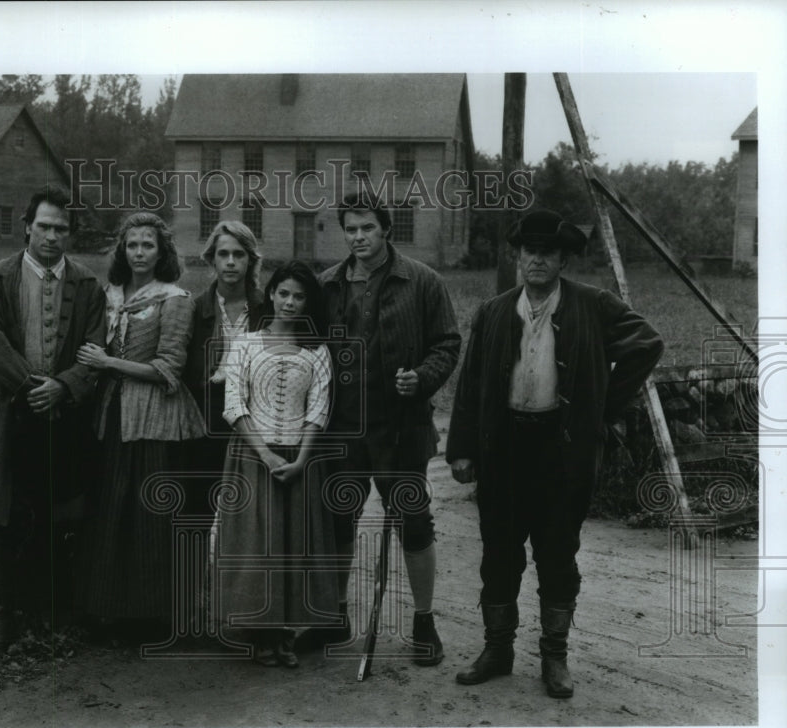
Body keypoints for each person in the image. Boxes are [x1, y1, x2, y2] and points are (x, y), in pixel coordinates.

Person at [447, 208, 664, 698]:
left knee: (557, 556)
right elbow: (471, 384)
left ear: (562, 260)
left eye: (548, 253)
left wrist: (599, 407)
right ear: (519, 257)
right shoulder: (495, 311)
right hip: (504, 450)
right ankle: (497, 649)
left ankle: (554, 657)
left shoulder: (593, 305)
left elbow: (647, 343)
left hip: (561, 453)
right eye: (530, 252)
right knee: (499, 555)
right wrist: (461, 448)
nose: (537, 260)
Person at [314, 189, 461, 666]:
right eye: (351, 229)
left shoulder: (422, 281)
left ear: (385, 229)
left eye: (367, 228)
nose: (358, 237)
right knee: (338, 520)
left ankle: (423, 622)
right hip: (342, 429)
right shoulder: (328, 285)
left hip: (400, 427)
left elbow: (447, 343)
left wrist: (422, 378)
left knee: (413, 523)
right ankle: (335, 615)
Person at [0, 184, 106, 647]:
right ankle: (0, 613)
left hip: (64, 415)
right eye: (44, 226)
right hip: (10, 410)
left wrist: (64, 386)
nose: (52, 236)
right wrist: (35, 387)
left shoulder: (88, 285)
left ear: (71, 233)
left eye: (62, 229)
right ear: (28, 226)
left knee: (61, 508)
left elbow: (96, 352)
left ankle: (53, 606)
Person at [74, 211, 205, 641]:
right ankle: (107, 611)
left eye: (148, 245)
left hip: (158, 421)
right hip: (112, 417)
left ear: (162, 251)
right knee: (112, 510)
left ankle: (157, 617)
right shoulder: (109, 295)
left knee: (151, 516)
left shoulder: (174, 299)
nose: (139, 252)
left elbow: (170, 368)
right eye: (132, 245)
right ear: (122, 250)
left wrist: (109, 362)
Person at [216, 262, 339, 667]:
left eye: (299, 296)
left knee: (293, 546)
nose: (289, 302)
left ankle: (286, 633)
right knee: (257, 545)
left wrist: (301, 459)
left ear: (308, 303)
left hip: (300, 458)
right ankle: (257, 632)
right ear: (271, 294)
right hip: (252, 455)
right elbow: (233, 405)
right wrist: (265, 454)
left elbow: (318, 410)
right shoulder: (247, 344)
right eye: (283, 293)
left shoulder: (318, 351)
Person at [183, 221, 266, 520]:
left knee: (251, 513)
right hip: (206, 416)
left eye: (239, 254)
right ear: (212, 259)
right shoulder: (193, 309)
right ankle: (196, 569)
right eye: (223, 254)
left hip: (254, 418)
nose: (231, 262)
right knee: (197, 510)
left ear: (251, 260)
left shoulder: (266, 310)